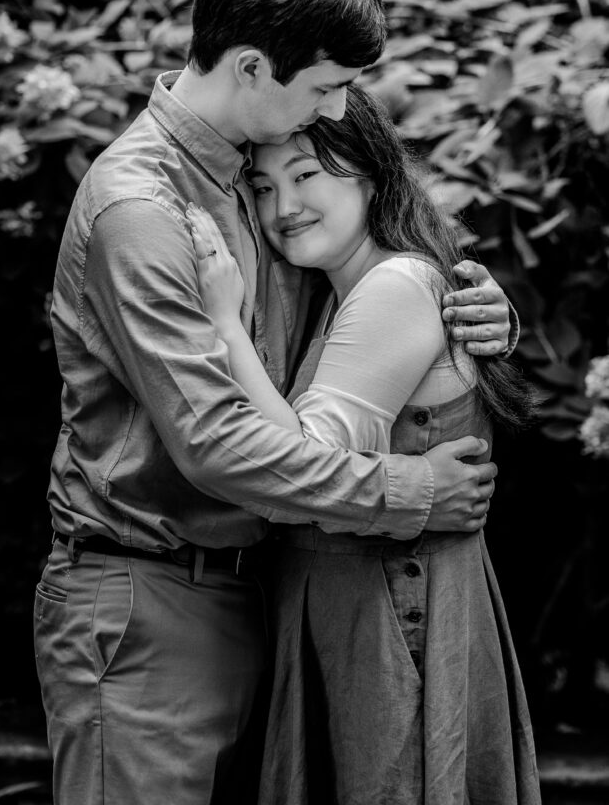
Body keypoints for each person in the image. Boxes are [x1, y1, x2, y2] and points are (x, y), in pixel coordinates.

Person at [34, 0, 514, 805]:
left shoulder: (252, 171)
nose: (337, 112)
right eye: (327, 86)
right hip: (151, 609)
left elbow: (358, 286)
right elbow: (217, 445)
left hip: (271, 594)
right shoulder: (141, 209)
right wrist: (412, 493)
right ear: (252, 66)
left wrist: (467, 316)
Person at [186, 83, 540, 805]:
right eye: (263, 186)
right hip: (355, 613)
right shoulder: (338, 289)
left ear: (371, 172)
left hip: (388, 621)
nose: (284, 207)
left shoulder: (392, 286)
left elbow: (300, 461)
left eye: (307, 174)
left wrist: (223, 324)